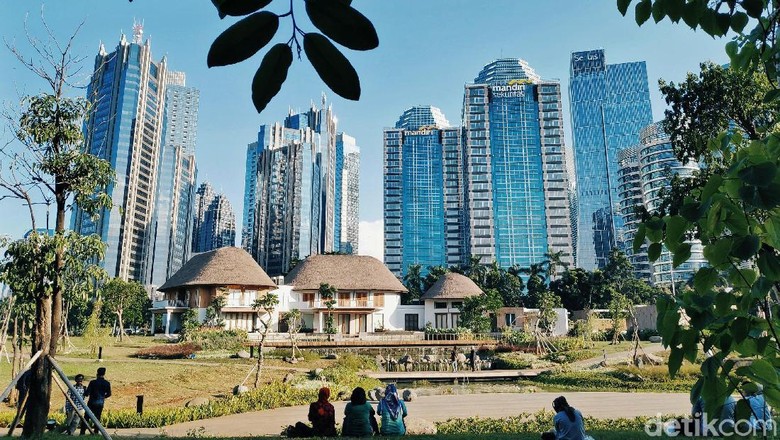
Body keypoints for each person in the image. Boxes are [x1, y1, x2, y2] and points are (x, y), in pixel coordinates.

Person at [80, 367, 111, 435]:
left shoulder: (93, 382)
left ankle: (82, 432)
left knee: (86, 417)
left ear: (97, 374)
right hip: (100, 403)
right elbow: (109, 394)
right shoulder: (107, 383)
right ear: (104, 374)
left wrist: (85, 390)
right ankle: (96, 432)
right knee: (97, 418)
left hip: (91, 402)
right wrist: (103, 397)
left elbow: (87, 393)